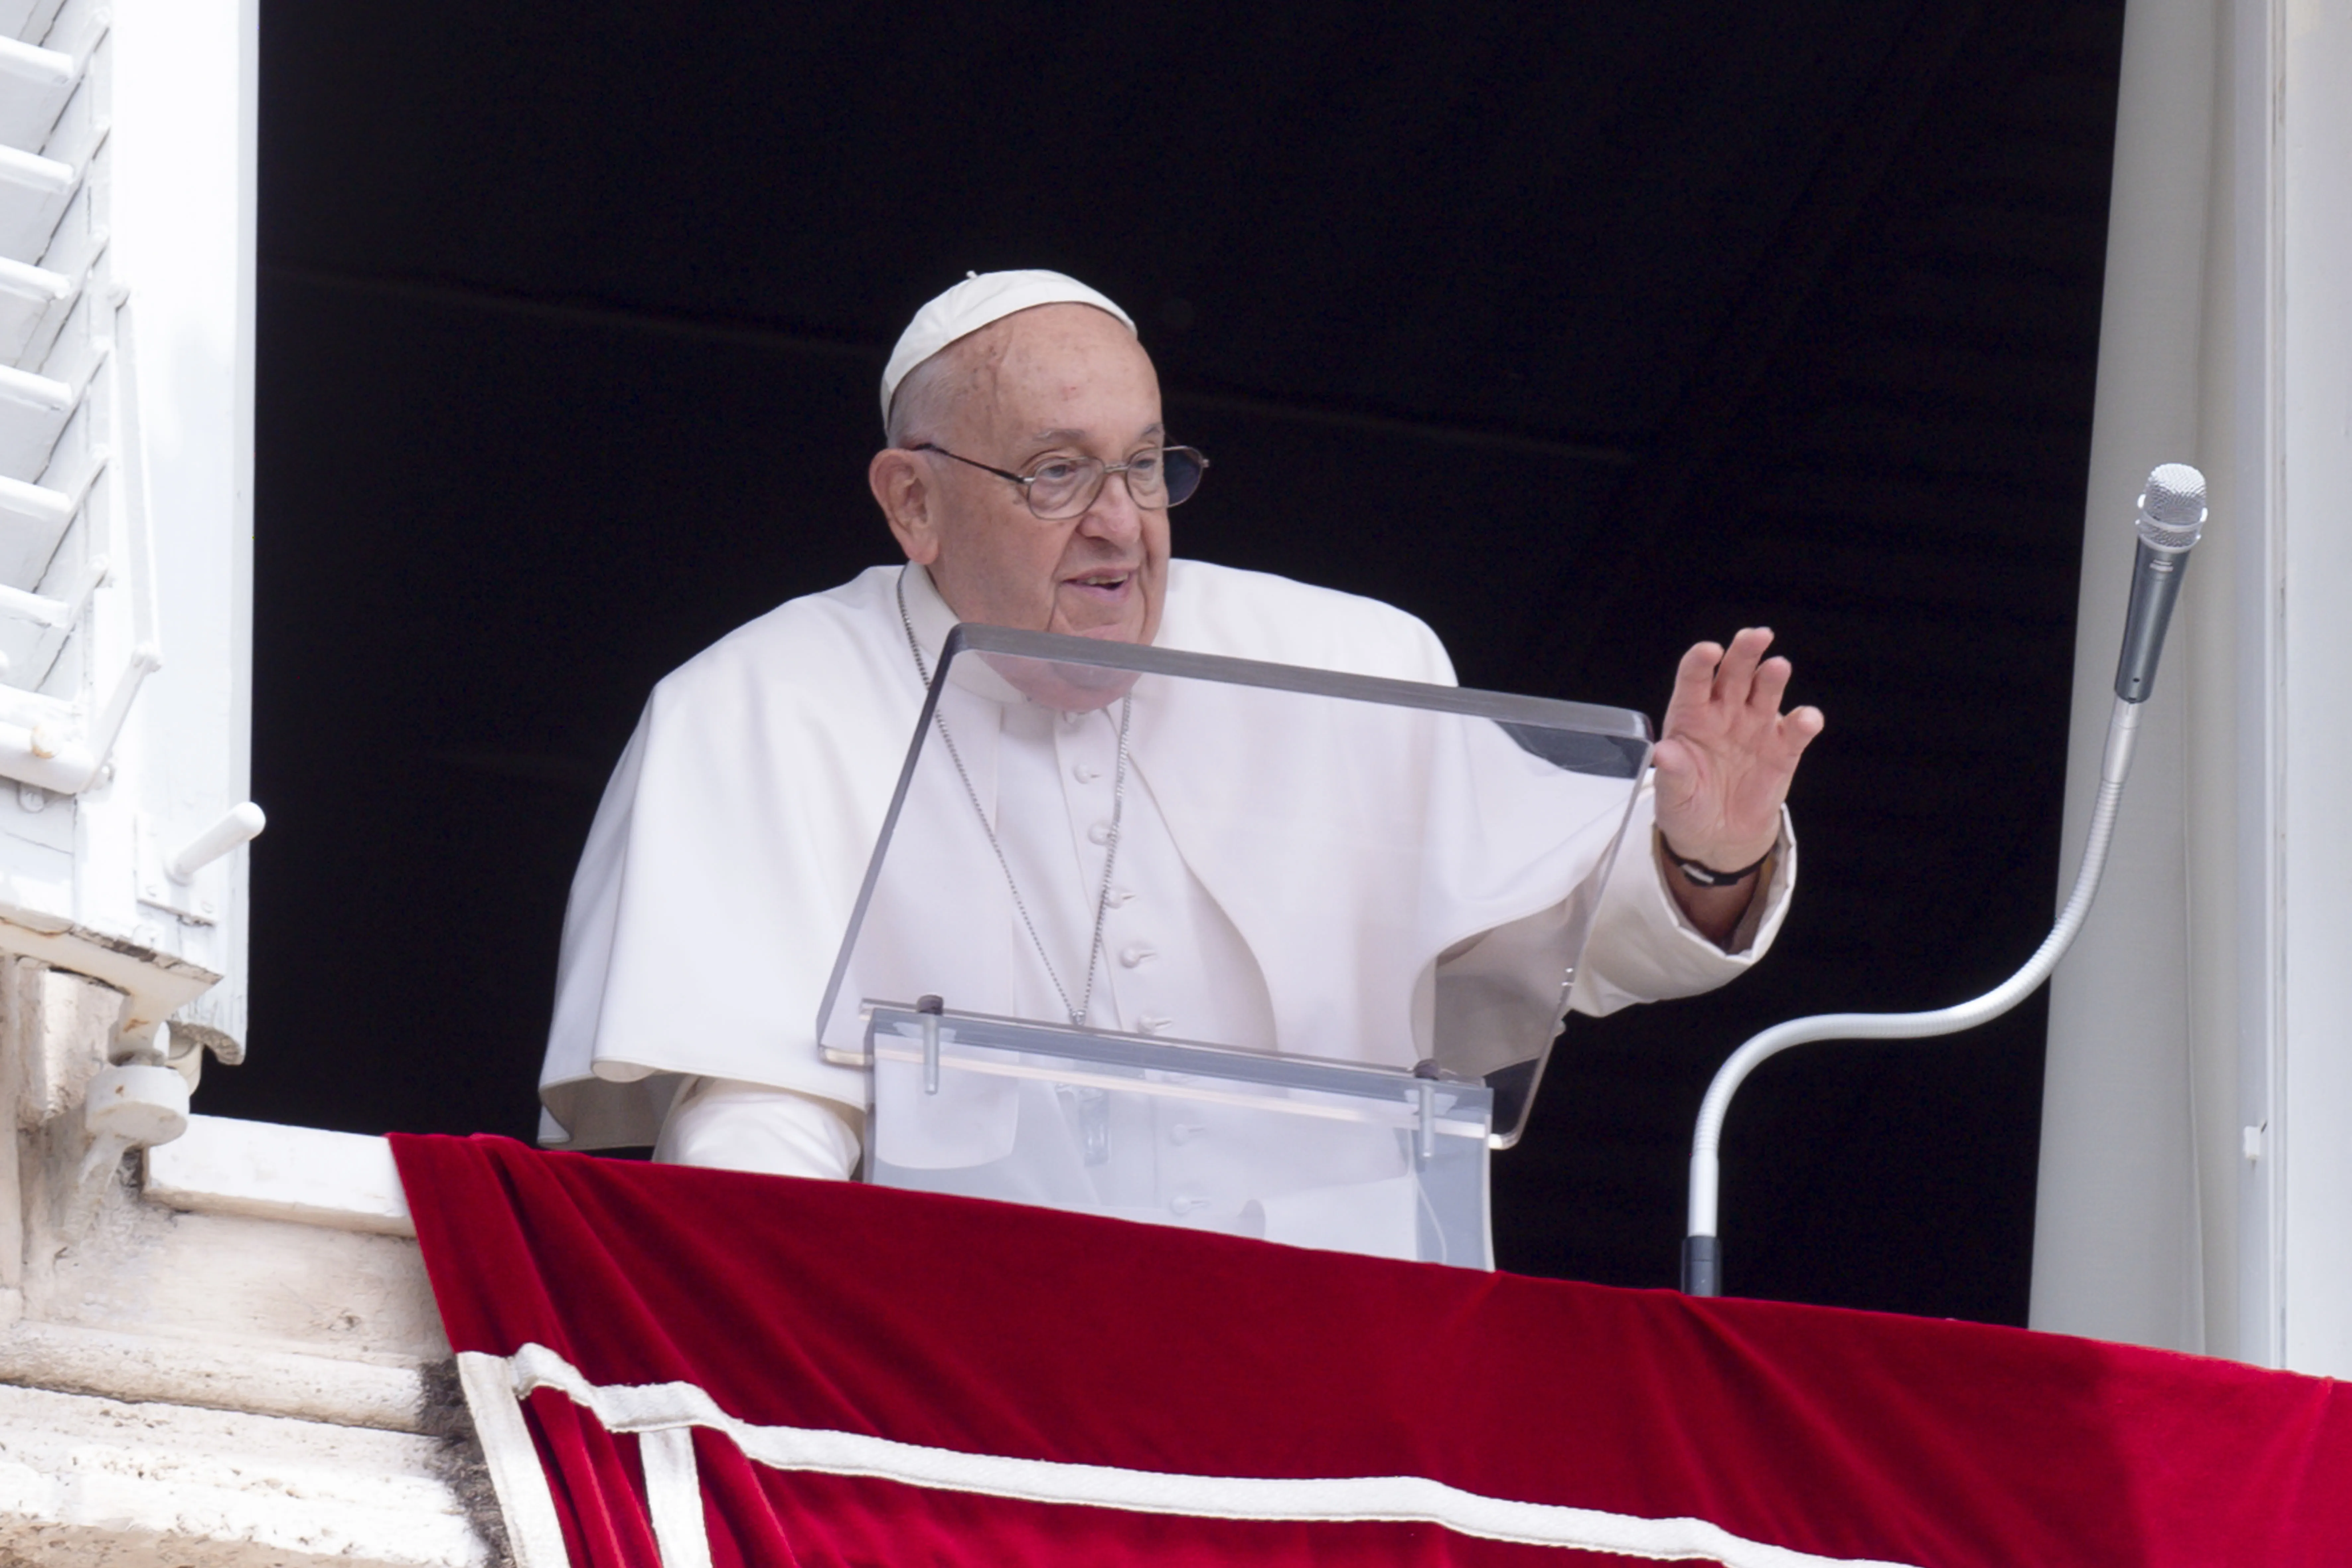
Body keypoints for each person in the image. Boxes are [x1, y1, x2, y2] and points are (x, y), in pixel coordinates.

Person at [537, 271, 1824, 1188]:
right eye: (1056, 471)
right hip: (952, 1360)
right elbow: (757, 1114)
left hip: (1325, 1343)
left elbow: (1553, 945)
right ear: (913, 501)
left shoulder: (1347, 662)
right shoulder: (763, 703)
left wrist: (1697, 854)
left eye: (1146, 465)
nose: (1121, 524)